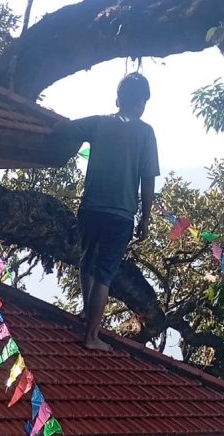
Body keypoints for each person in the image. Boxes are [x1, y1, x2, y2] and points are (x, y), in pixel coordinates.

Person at [56, 73, 160, 351]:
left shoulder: (98, 124)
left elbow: (63, 129)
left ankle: (84, 314)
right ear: (141, 104)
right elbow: (148, 178)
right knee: (105, 272)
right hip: (121, 213)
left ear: (118, 100)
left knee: (88, 260)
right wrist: (146, 217)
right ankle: (91, 336)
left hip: (90, 208)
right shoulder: (145, 133)